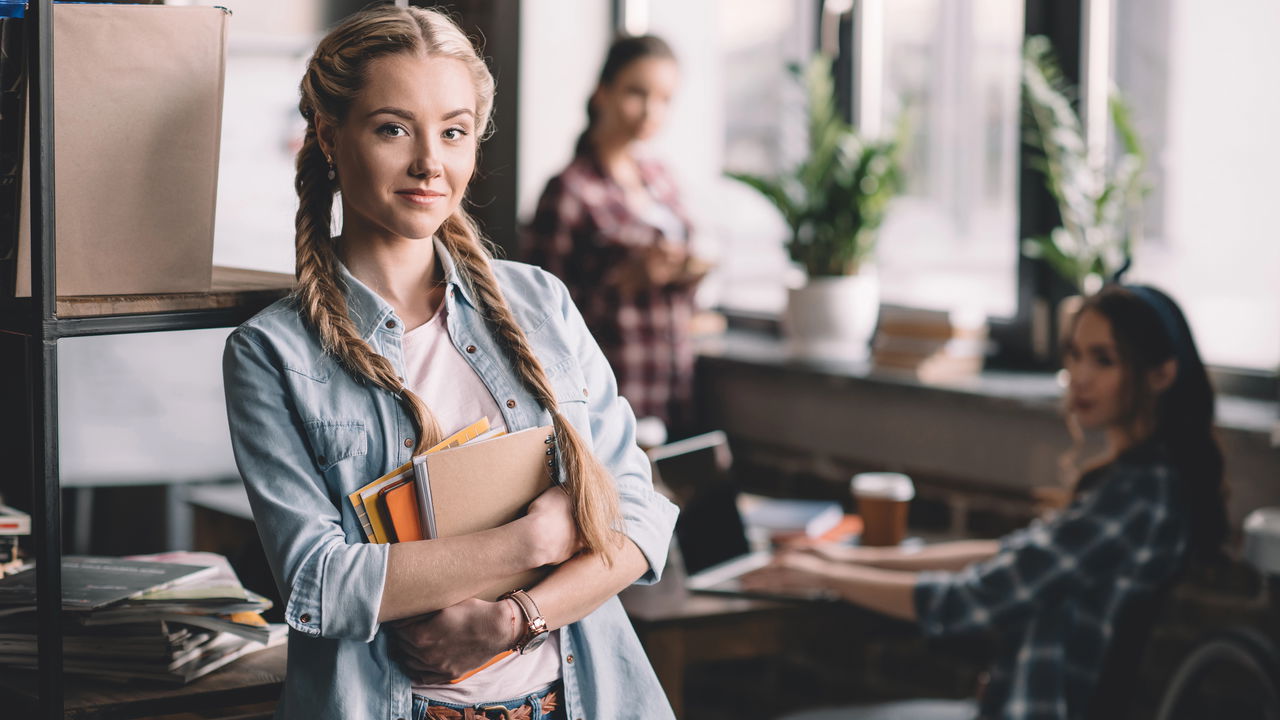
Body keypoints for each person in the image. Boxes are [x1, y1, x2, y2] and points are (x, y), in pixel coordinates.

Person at [221, 6, 679, 719]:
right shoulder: (271, 354)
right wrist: (534, 538)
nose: (430, 162)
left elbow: (641, 514)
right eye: (393, 128)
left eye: (454, 131)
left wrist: (516, 617)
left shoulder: (542, 303)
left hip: (582, 700)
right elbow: (320, 584)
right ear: (330, 139)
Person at [742, 285, 1228, 720]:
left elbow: (971, 600)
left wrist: (828, 576)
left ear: (1162, 374)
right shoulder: (1132, 481)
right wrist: (849, 557)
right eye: (1074, 354)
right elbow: (1008, 555)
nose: (1078, 376)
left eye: (1104, 359)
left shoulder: (1139, 498)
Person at [523, 34, 708, 438]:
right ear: (603, 93)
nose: (650, 111)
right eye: (636, 93)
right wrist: (623, 281)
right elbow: (536, 316)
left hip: (672, 382)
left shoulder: (663, 179)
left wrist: (688, 273)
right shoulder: (569, 189)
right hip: (609, 385)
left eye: (664, 99)